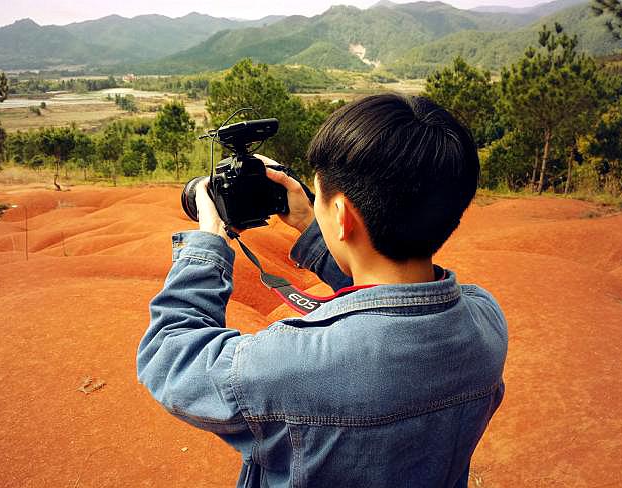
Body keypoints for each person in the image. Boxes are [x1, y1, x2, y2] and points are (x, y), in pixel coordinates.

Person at [137, 93, 508, 487]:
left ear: (342, 216)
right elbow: (389, 293)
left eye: (320, 201)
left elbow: (168, 355)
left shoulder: (294, 363)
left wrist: (208, 240)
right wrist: (307, 222)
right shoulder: (486, 321)